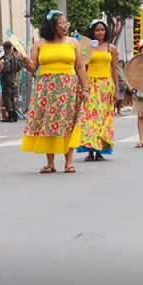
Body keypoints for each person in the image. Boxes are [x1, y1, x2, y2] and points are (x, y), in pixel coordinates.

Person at [18, 10, 87, 174]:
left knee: (68, 123)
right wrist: (26, 63)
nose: (65, 26)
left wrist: (85, 88)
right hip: (46, 90)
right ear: (52, 26)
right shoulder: (40, 44)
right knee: (48, 124)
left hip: (68, 88)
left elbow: (79, 67)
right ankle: (50, 163)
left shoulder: (73, 43)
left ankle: (69, 162)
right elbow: (33, 67)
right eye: (62, 23)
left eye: (66, 22)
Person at [77, 19, 118, 162]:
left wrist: (116, 90)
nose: (100, 32)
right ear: (92, 32)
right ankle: (90, 150)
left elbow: (114, 69)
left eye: (102, 30)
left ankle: (100, 150)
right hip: (91, 84)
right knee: (91, 118)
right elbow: (82, 67)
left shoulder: (111, 48)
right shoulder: (87, 47)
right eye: (97, 30)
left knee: (103, 118)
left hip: (106, 86)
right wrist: (83, 87)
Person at [0, 41, 22, 122]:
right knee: (12, 98)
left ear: (5, 48)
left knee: (7, 98)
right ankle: (15, 116)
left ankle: (10, 116)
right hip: (13, 79)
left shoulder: (7, 57)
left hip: (7, 79)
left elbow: (6, 69)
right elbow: (19, 67)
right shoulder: (14, 57)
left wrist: (1, 72)